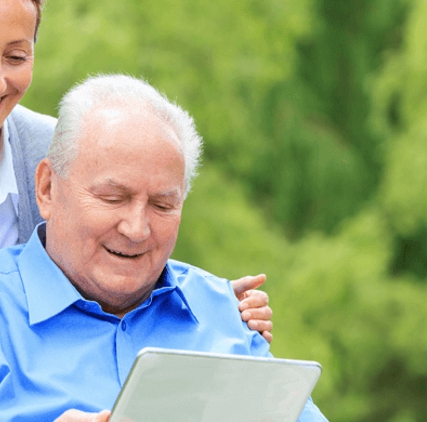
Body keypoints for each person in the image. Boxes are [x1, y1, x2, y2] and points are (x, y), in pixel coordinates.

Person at [0, 74, 327, 421]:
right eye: (113, 198)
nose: (137, 229)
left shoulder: (224, 313)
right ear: (48, 188)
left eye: (162, 205)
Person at [0, 0, 273, 340]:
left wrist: (204, 310)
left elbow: (123, 249)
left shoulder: (61, 143)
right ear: (47, 187)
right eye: (113, 197)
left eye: (15, 58)